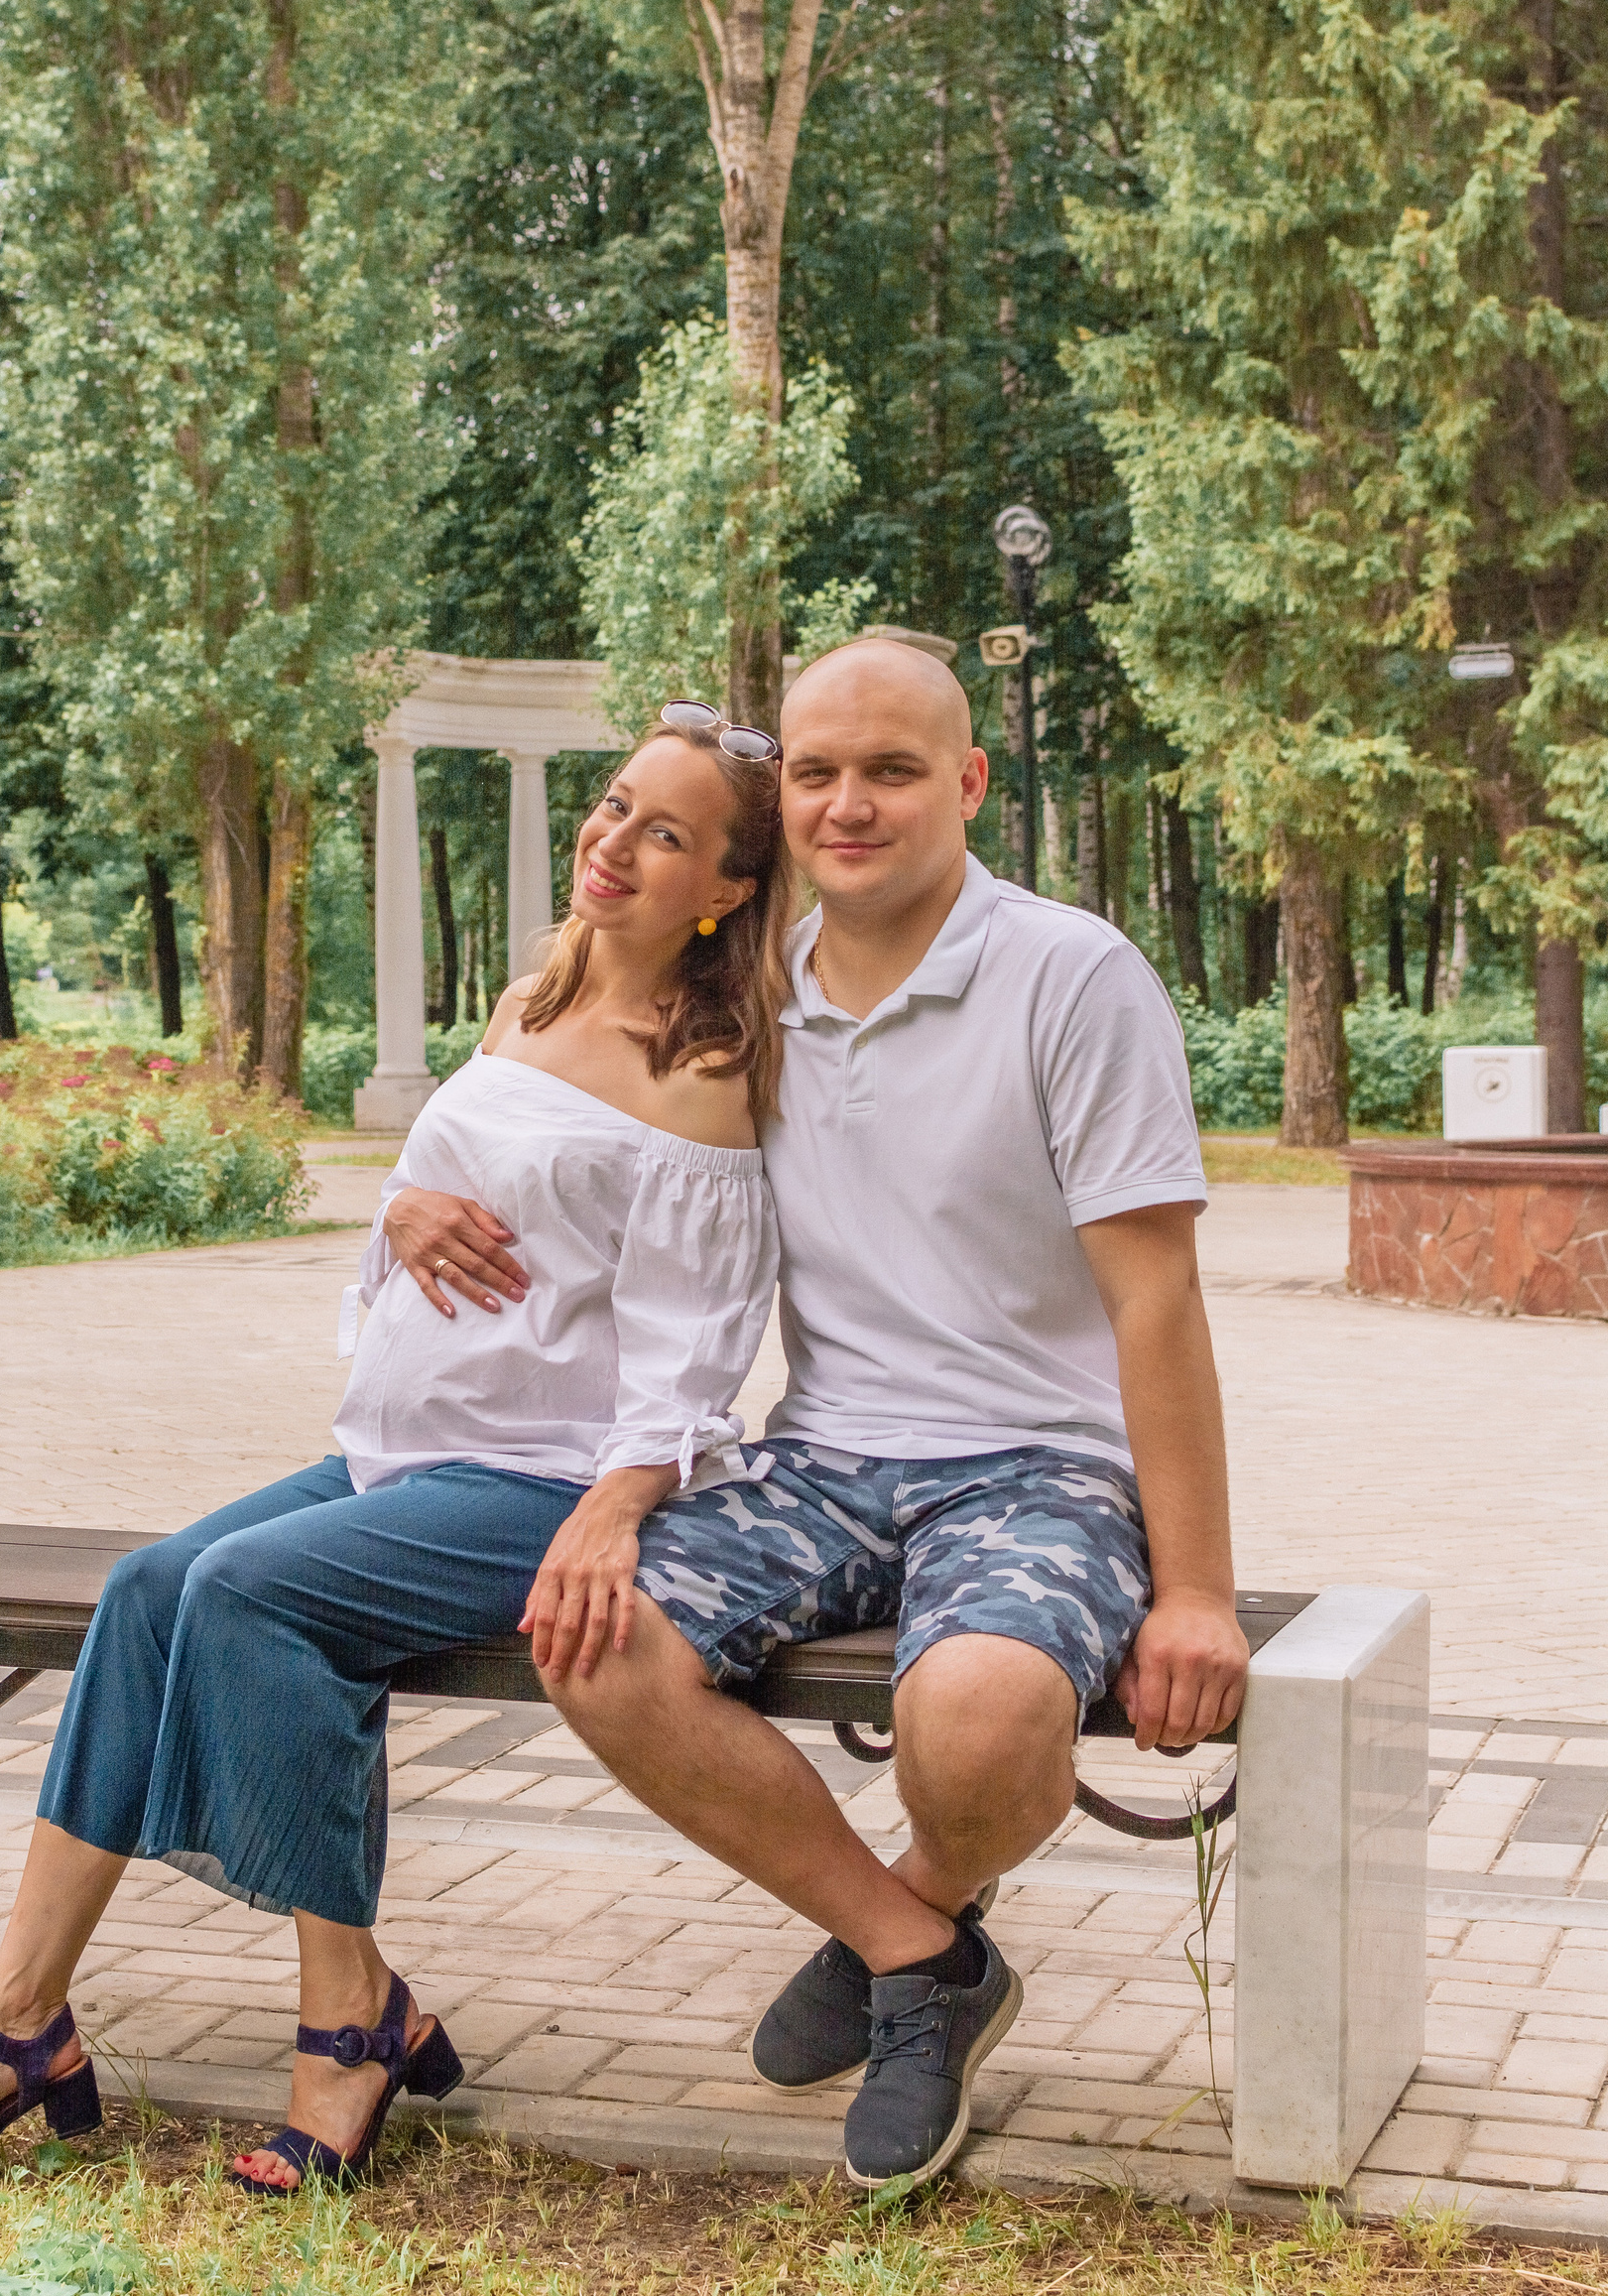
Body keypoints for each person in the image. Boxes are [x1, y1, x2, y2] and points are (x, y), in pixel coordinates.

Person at [0, 713, 789, 2199]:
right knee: (149, 1589)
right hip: (405, 1453)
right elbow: (428, 1198)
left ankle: (347, 2023)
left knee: (249, 1594)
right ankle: (17, 2020)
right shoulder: (529, 999)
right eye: (615, 806)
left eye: (664, 833)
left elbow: (699, 1350)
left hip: (545, 1483)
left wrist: (619, 1509)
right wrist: (399, 1210)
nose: (612, 841)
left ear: (727, 891)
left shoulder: (704, 1069)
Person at [388, 641, 1247, 2194]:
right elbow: (575, 1152)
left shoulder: (1071, 976)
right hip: (821, 1455)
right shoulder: (750, 986)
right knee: (592, 1635)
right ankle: (922, 1956)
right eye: (818, 774)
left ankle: (906, 1919)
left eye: (892, 772)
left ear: (967, 785)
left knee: (974, 1720)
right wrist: (410, 1209)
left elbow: (1158, 1302)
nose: (850, 804)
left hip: (1040, 1469)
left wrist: (1194, 1593)